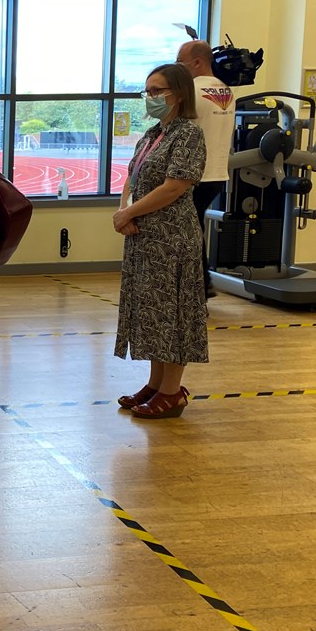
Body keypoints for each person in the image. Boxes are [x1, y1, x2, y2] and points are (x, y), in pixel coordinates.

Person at [113, 63, 208, 419]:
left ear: (179, 94)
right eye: (147, 91)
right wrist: (124, 212)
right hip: (144, 238)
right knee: (152, 313)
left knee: (173, 313)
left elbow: (175, 186)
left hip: (172, 238)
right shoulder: (153, 134)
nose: (150, 98)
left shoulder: (188, 134)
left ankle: (173, 391)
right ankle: (155, 384)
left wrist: (130, 213)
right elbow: (133, 177)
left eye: (157, 91)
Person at [176, 40, 235, 297]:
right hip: (217, 173)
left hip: (192, 173)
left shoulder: (190, 90)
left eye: (180, 63)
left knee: (185, 230)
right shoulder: (227, 91)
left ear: (197, 62)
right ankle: (201, 282)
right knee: (193, 225)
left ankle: (198, 284)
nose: (178, 69)